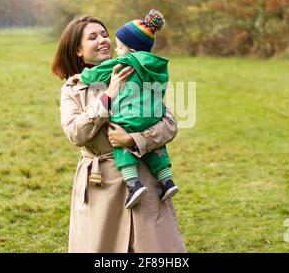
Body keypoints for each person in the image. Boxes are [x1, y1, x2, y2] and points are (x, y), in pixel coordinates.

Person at [51, 16, 187, 252]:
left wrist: (134, 140)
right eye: (92, 37)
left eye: (104, 34)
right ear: (78, 51)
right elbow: (76, 134)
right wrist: (108, 96)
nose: (103, 40)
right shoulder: (72, 89)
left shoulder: (135, 71)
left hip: (143, 178)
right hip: (99, 185)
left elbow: (169, 123)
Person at [76, 10, 178, 209]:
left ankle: (133, 184)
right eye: (93, 37)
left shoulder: (124, 63)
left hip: (130, 118)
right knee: (156, 150)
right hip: (152, 115)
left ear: (131, 49)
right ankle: (167, 181)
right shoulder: (154, 66)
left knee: (120, 144)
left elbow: (96, 73)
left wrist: (82, 76)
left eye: (118, 45)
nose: (112, 46)